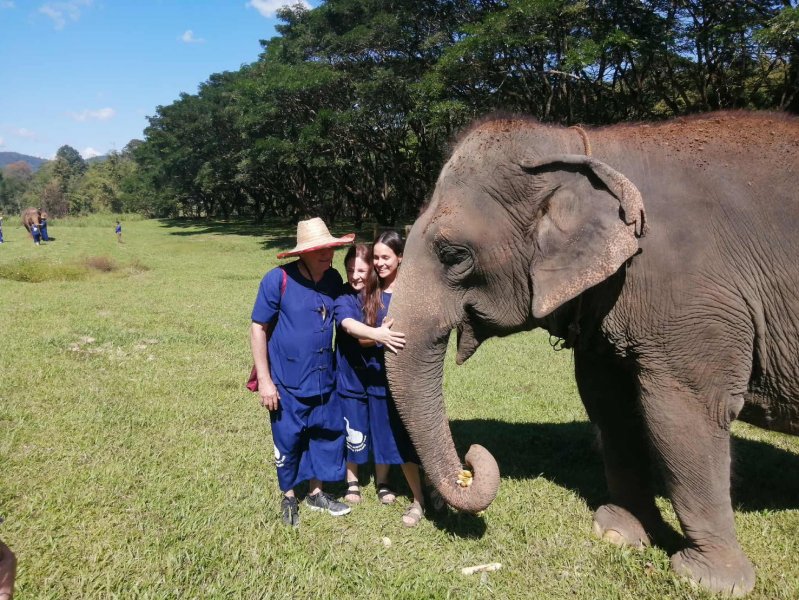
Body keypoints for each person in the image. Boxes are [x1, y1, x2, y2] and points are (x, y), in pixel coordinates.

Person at [250, 217, 355, 527]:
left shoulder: (333, 279)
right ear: (303, 252)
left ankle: (316, 493)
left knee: (324, 436)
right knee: (288, 440)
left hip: (324, 379)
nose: (328, 254)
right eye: (320, 249)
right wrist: (265, 380)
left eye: (330, 248)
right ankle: (289, 497)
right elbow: (258, 328)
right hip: (287, 381)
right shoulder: (278, 279)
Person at [340, 230, 425, 527]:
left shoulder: (413, 291)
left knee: (407, 438)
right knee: (383, 434)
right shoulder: (372, 291)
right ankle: (398, 489)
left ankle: (422, 496)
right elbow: (362, 336)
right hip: (376, 378)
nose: (379, 263)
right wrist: (380, 335)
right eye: (376, 258)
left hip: (407, 378)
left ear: (400, 257)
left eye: (385, 257)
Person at [333, 244, 405, 506]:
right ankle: (352, 481)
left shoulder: (381, 294)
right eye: (350, 270)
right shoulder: (344, 295)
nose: (355, 276)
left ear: (372, 270)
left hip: (379, 376)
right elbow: (349, 325)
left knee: (382, 428)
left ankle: (382, 481)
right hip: (350, 375)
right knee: (353, 428)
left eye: (361, 270)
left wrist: (379, 336)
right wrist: (378, 335)